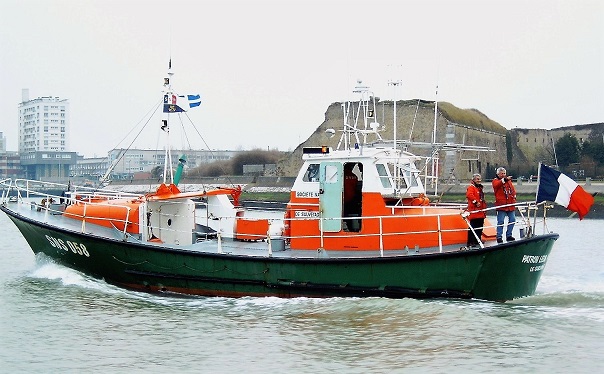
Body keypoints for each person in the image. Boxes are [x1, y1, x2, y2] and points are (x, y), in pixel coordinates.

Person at [492, 167, 517, 243]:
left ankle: (509, 235)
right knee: (500, 221)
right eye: (501, 173)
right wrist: (505, 180)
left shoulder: (508, 181)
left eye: (504, 173)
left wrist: (514, 196)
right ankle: (499, 236)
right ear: (498, 174)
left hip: (510, 204)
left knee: (512, 220)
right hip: (501, 205)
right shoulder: (495, 181)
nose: (503, 175)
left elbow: (512, 189)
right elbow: (497, 185)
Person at [465, 173, 487, 248]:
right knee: (473, 226)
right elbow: (469, 195)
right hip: (475, 211)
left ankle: (478, 240)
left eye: (479, 179)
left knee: (480, 226)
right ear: (473, 180)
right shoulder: (471, 187)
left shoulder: (479, 188)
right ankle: (470, 242)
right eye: (477, 179)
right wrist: (476, 202)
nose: (479, 180)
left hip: (480, 210)